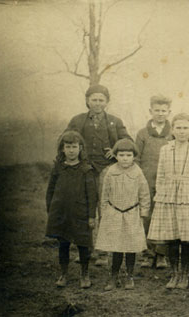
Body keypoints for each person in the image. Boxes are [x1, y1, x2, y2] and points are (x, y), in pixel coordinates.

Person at [66, 84, 132, 267]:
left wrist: (116, 149)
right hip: (83, 170)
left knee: (105, 210)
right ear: (87, 101)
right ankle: (84, 249)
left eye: (101, 100)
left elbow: (127, 141)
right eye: (93, 99)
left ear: (107, 102)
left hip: (106, 171)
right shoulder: (77, 121)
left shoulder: (115, 121)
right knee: (83, 209)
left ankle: (103, 251)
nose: (97, 103)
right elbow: (65, 140)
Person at [147, 113, 189, 289]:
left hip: (188, 196)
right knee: (172, 237)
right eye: (178, 128)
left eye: (185, 128)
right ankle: (174, 274)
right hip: (168, 197)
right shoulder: (165, 150)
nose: (181, 132)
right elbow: (161, 175)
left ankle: (184, 274)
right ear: (172, 130)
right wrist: (161, 195)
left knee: (185, 238)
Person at [94, 139, 150, 291]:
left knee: (131, 248)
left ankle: (130, 276)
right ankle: (113, 276)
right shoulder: (111, 172)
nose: (125, 158)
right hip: (114, 213)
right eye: (121, 155)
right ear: (116, 156)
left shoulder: (138, 173)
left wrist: (143, 212)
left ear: (134, 156)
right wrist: (105, 212)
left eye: (128, 155)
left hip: (132, 213)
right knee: (116, 247)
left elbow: (144, 194)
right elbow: (104, 194)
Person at [45, 131, 98, 288]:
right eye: (68, 147)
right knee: (63, 244)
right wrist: (51, 210)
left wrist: (91, 216)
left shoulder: (86, 170)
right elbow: (50, 191)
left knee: (83, 245)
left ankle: (85, 273)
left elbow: (92, 196)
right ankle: (63, 273)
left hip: (80, 214)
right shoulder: (58, 168)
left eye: (74, 147)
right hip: (61, 214)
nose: (71, 150)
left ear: (80, 148)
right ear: (62, 149)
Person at [135, 94, 173, 269]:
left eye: (163, 111)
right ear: (150, 111)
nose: (160, 114)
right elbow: (136, 158)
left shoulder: (174, 133)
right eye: (156, 110)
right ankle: (148, 253)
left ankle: (161, 255)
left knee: (165, 216)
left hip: (167, 182)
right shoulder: (142, 134)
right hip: (147, 181)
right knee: (147, 216)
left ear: (169, 112)